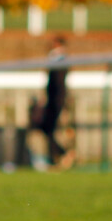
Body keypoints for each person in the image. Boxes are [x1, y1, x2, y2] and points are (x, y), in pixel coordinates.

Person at [30, 36, 71, 170]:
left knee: (52, 129)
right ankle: (58, 156)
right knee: (48, 129)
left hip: (57, 101)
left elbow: (58, 85)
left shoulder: (61, 60)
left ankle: (62, 154)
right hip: (53, 100)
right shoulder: (54, 59)